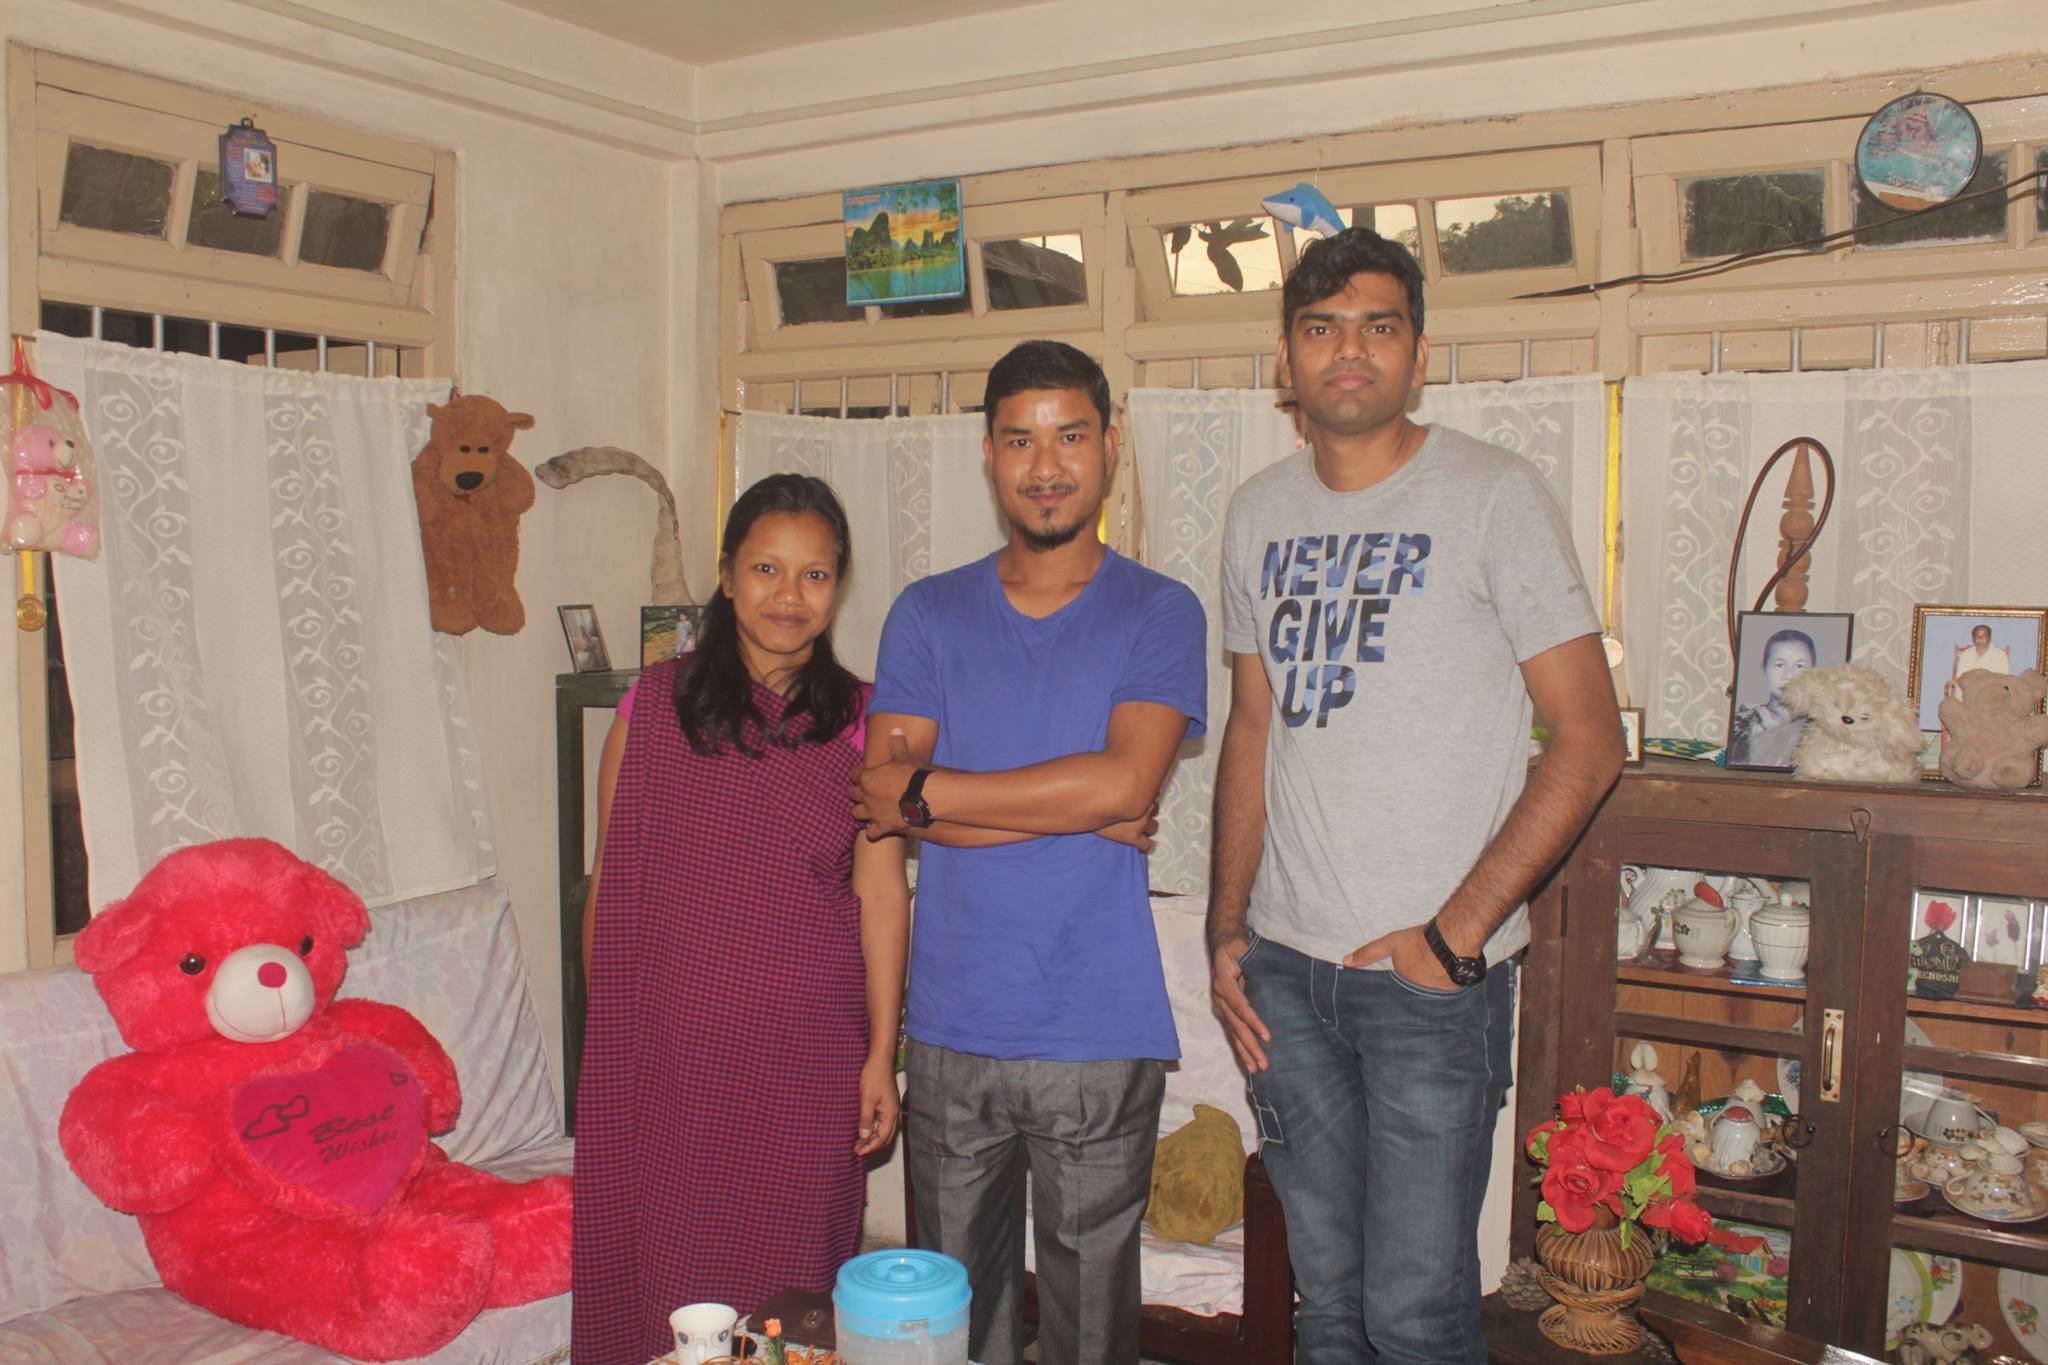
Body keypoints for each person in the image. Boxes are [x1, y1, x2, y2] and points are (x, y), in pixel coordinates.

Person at [1205, 227, 1624, 1364]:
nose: (1349, 350)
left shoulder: (1494, 495)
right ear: (1286, 359)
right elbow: (1252, 728)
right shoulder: (1255, 512)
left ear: (1419, 355)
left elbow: (1590, 740)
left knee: (1417, 1317)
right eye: (1320, 327)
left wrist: (1453, 936)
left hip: (1430, 986)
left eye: (1377, 326)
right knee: (1327, 1309)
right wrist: (1226, 929)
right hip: (1284, 979)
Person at [849, 339, 1207, 1365]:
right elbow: (880, 804)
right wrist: (1077, 806)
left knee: (1092, 1335)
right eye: (1019, 440)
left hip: (1098, 1028)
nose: (1045, 466)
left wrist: (934, 793)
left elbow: (1123, 783)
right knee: (955, 1331)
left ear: (1110, 446)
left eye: (1069, 436)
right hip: (950, 1029)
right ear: (987, 454)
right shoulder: (926, 612)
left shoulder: (1159, 609)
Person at [572, 474, 910, 1365]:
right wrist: (614, 1041)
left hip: (807, 1054)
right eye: (766, 568)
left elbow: (882, 894)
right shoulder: (653, 707)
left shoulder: (865, 719)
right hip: (673, 1057)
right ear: (726, 575)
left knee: (791, 1291)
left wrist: (881, 1052)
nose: (788, 595)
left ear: (838, 586)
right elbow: (613, 888)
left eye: (814, 574)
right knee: (668, 1274)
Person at [1727, 628, 1816, 767]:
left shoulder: (1821, 726)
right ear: (1764, 668)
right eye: (1780, 665)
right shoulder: (1742, 724)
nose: (1789, 675)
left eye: (1799, 666)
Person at [1947, 622, 2011, 698]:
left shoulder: (2000, 655)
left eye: (1984, 636)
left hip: (1990, 692)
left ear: (1990, 638)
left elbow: (2004, 679)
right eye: (1977, 636)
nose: (1980, 639)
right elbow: (1960, 677)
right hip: (1967, 691)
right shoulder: (1966, 654)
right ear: (1973, 639)